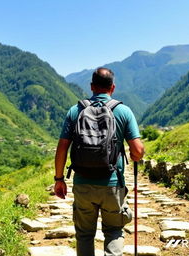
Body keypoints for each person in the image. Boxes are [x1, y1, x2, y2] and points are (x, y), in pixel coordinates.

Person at [54, 67, 144, 256]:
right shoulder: (123, 111)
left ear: (92, 86)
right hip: (112, 183)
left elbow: (62, 147)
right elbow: (137, 151)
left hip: (82, 183)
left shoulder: (75, 110)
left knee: (85, 234)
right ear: (112, 87)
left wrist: (59, 179)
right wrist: (135, 156)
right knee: (113, 231)